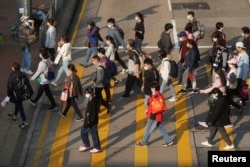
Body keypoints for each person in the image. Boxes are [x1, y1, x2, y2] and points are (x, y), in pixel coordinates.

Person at [7, 62, 33, 128]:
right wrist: (31, 92)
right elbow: (28, 83)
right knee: (18, 104)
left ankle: (25, 122)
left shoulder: (12, 76)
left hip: (16, 94)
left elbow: (10, 87)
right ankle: (14, 115)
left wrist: (8, 95)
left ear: (13, 68)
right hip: (23, 93)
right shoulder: (23, 74)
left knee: (20, 106)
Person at [79, 87, 101, 153]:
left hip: (91, 122)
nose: (86, 94)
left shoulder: (93, 102)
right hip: (89, 121)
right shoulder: (91, 100)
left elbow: (93, 113)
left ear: (90, 93)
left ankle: (95, 147)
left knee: (89, 133)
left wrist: (89, 122)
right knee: (90, 133)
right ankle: (89, 145)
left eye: (86, 93)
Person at [235, 42, 249, 106]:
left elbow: (246, 68)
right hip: (238, 74)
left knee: (241, 89)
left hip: (241, 76)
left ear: (240, 48)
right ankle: (243, 101)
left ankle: (243, 102)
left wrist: (244, 78)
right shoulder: (240, 54)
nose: (236, 48)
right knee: (239, 89)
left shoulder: (245, 56)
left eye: (237, 47)